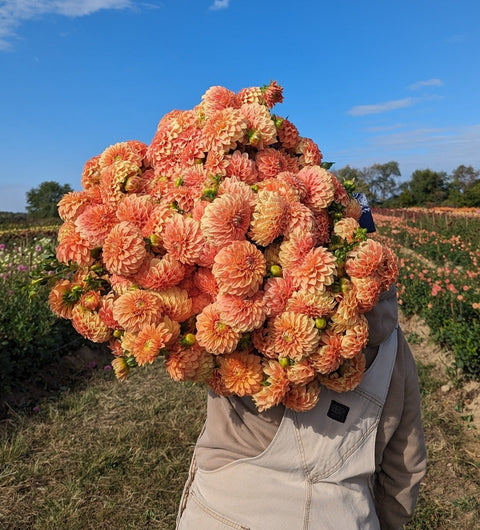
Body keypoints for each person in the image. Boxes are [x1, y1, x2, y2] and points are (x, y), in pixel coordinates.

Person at [176, 203, 427, 530]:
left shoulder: (231, 314)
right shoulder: (393, 347)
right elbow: (406, 466)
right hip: (341, 518)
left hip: (224, 512)